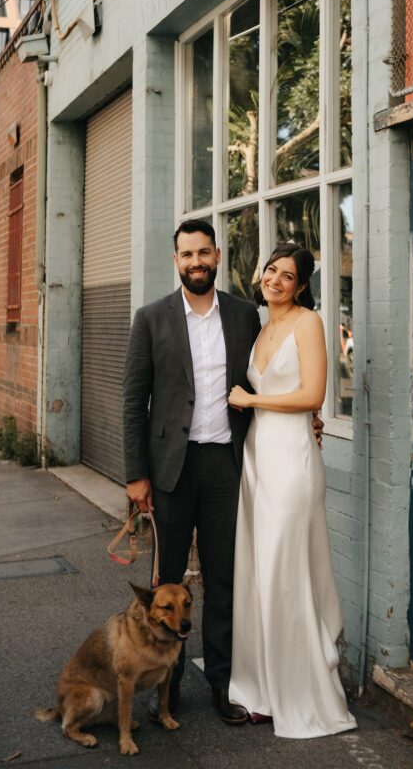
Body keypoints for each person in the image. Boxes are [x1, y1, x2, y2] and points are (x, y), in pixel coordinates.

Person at [123, 219, 261, 725]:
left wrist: (306, 415)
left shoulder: (246, 315)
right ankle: (168, 688)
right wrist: (136, 475)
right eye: (187, 255)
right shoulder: (151, 318)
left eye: (204, 252)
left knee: (224, 580)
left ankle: (223, 687)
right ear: (175, 259)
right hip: (171, 471)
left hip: (226, 463)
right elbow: (134, 401)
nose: (196, 262)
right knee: (167, 583)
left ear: (218, 255)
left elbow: (264, 379)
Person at [227, 242, 357, 738]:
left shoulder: (309, 323)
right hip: (258, 458)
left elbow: (312, 396)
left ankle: (301, 694)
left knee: (286, 574)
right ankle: (261, 689)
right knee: (259, 573)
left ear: (302, 285)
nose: (275, 280)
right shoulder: (261, 327)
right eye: (271, 270)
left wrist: (250, 397)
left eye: (288, 275)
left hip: (292, 462)